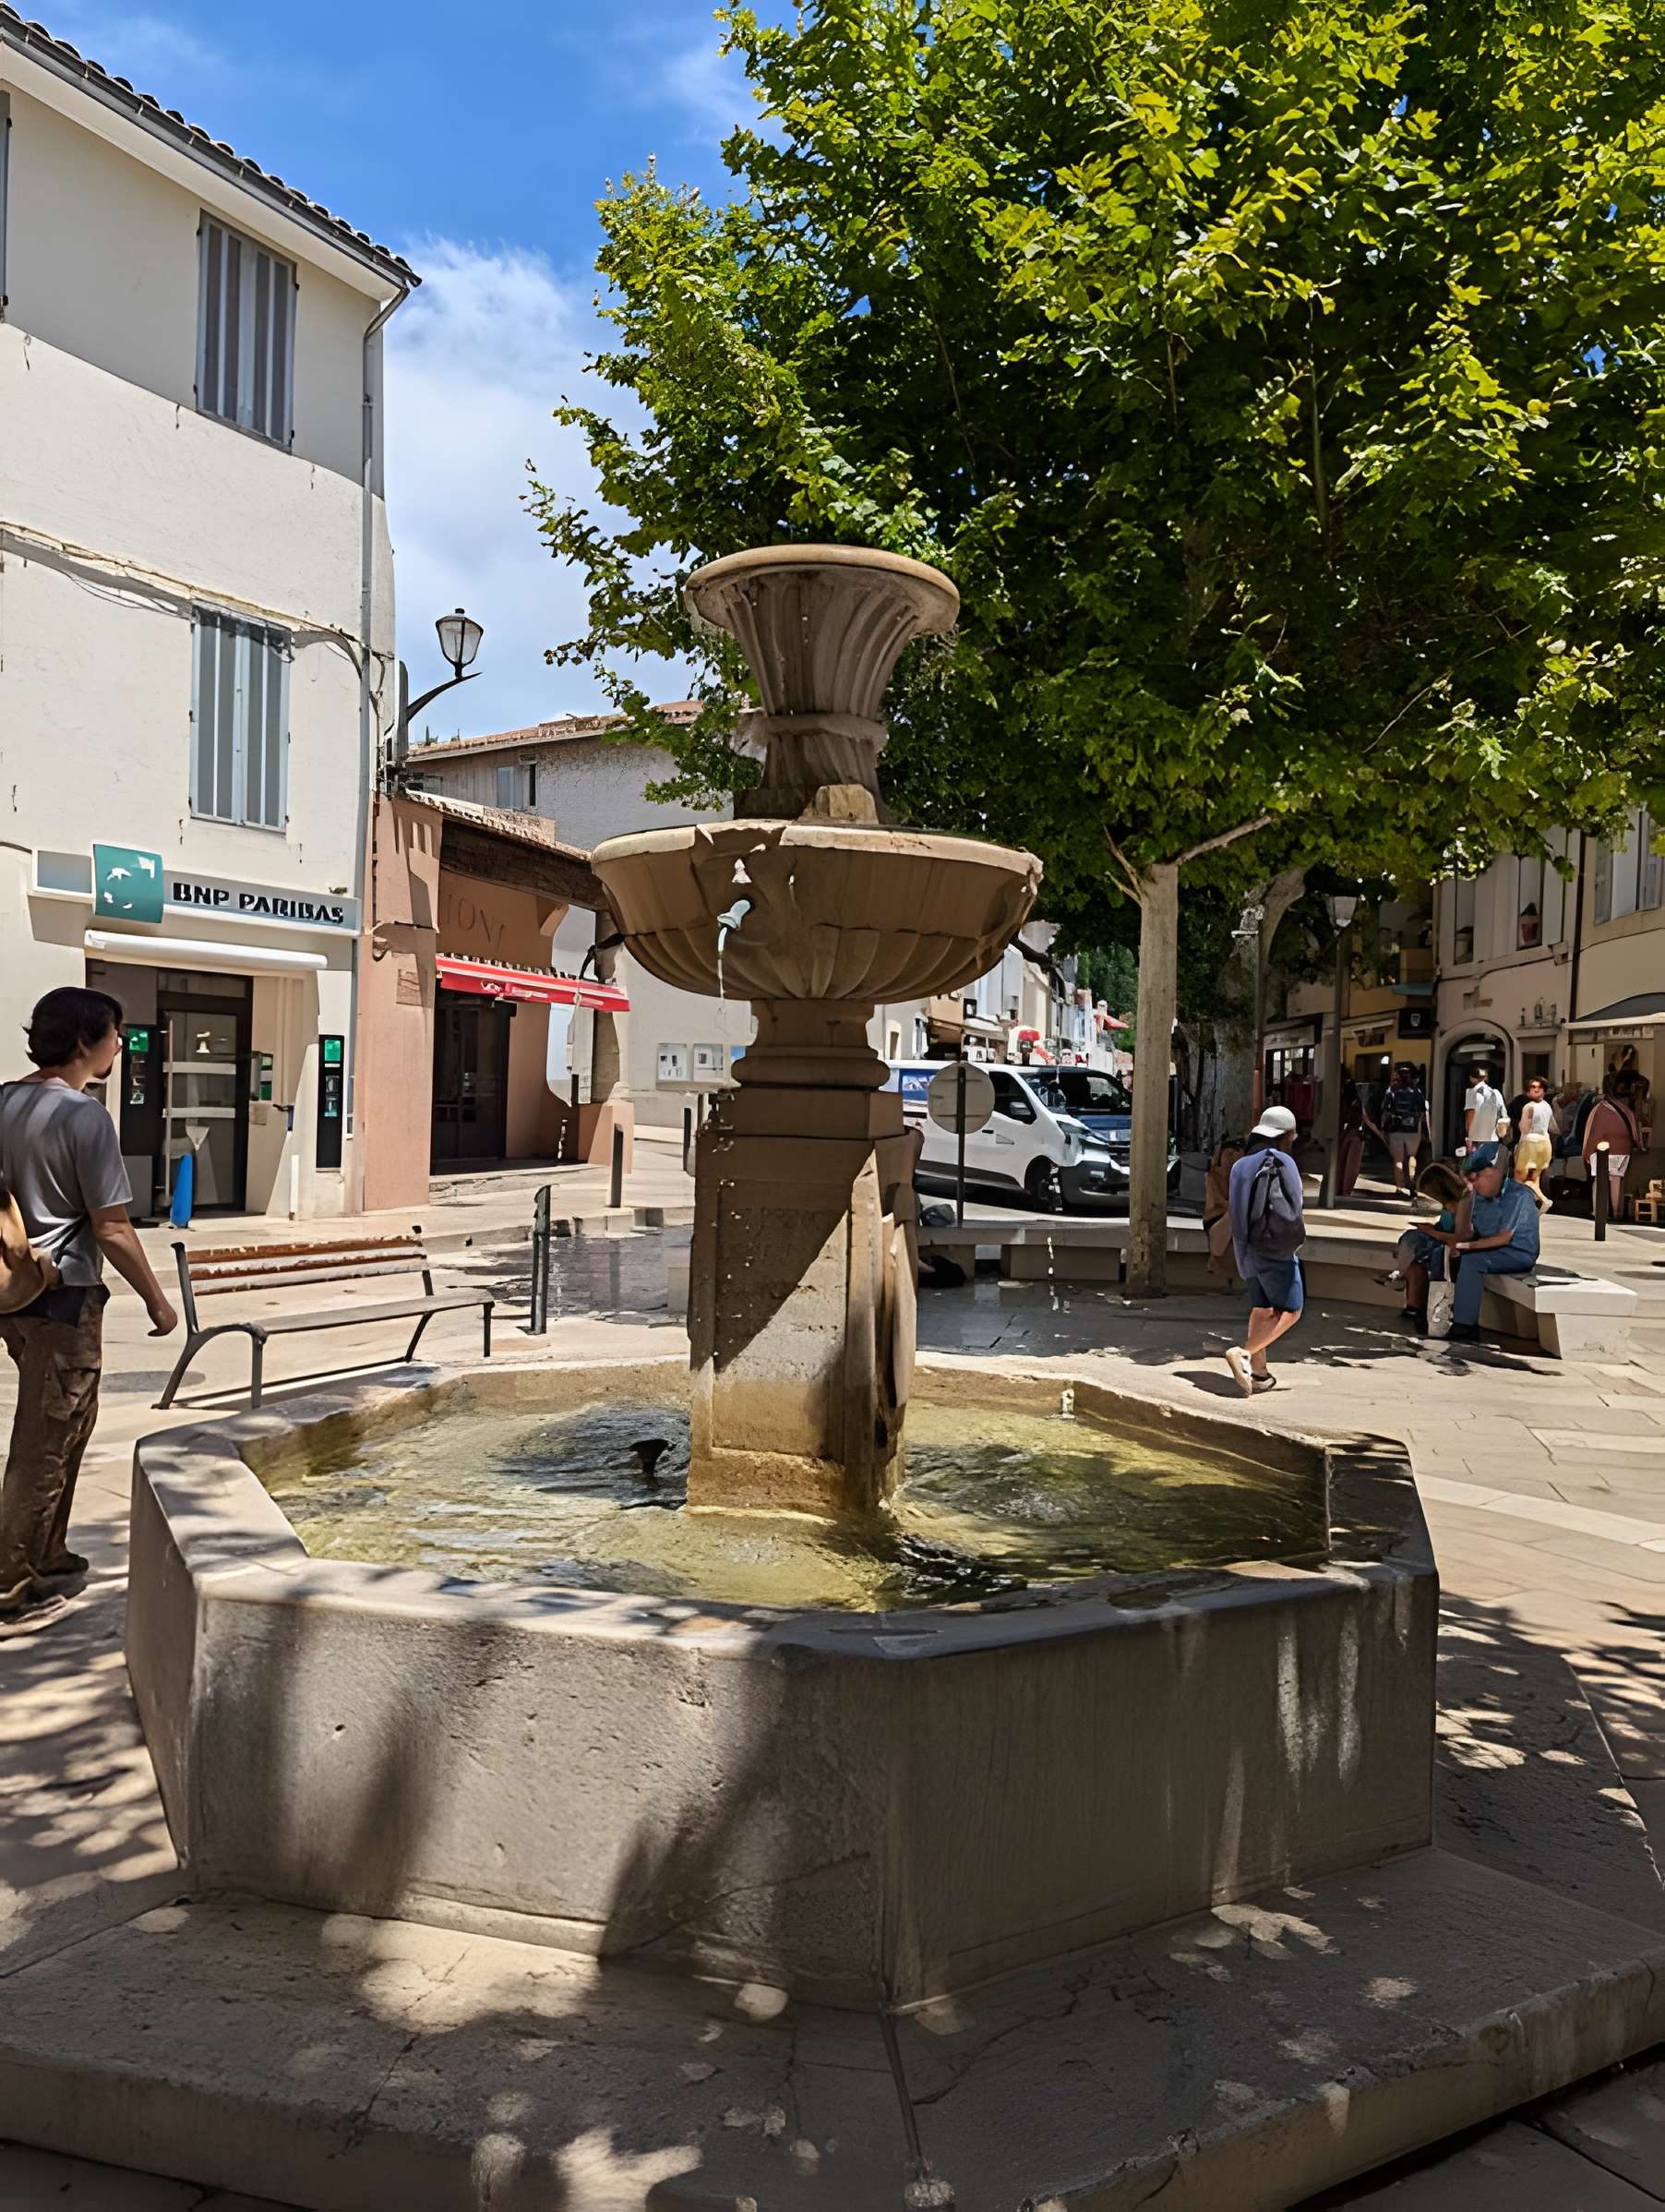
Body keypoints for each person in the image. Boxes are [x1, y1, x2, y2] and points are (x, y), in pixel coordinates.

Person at [0, 989, 177, 1629]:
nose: (121, 1044)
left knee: (66, 1424)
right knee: (47, 1437)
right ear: (85, 1041)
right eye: (117, 1033)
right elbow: (112, 1228)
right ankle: (11, 1581)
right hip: (63, 1295)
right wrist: (158, 1300)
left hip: (13, 1293)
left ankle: (47, 1554)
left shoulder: (4, 1100)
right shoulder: (84, 1117)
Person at [1223, 1104, 1306, 1395]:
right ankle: (1243, 1354)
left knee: (1261, 1308)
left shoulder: (1240, 1165)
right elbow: (1294, 1207)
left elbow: (1234, 1210)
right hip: (1276, 1250)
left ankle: (1259, 1374)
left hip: (1247, 1251)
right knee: (1291, 1311)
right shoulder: (1283, 1161)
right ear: (1285, 1135)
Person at [1443, 1142, 1541, 1344]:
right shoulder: (1477, 1197)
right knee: (1441, 1255)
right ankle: (1440, 1312)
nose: (1476, 1184)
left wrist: (1465, 1247)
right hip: (1491, 1248)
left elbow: (1504, 1237)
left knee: (1471, 1262)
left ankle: (1465, 1326)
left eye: (1481, 1177)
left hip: (1517, 1252)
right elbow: (1470, 1231)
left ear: (1497, 1174)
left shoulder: (1518, 1196)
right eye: (1472, 1179)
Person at [1380, 1160, 1468, 1328]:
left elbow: (1458, 1237)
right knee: (1410, 1243)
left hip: (1446, 1246)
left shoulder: (1460, 1207)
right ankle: (1410, 1299)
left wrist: (1431, 1232)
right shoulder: (1447, 1207)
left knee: (1413, 1242)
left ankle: (1400, 1276)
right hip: (1438, 1239)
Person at [1583, 1073, 1643, 1223]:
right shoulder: (1627, 1110)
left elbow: (1591, 1131)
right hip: (1622, 1149)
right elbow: (1635, 1132)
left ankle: (1599, 1211)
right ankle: (1616, 1212)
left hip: (1600, 1149)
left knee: (1599, 1180)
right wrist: (1636, 1144)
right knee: (1616, 1179)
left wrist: (1587, 1152)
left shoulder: (1599, 1108)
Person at [1378, 1063, 1430, 1198]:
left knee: (1398, 1160)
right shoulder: (1417, 1091)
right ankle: (1411, 1184)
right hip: (1413, 1129)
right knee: (1411, 1157)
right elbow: (1423, 1112)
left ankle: (1400, 1187)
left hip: (1395, 1129)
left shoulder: (1391, 1091)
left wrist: (1383, 1128)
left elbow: (1385, 1111)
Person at [1513, 1076, 1558, 1212]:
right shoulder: (1547, 1106)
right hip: (1545, 1143)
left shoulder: (1529, 1107)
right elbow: (1554, 1128)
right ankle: (1532, 1206)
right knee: (1535, 1177)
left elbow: (1524, 1129)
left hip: (1530, 1144)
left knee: (1521, 1177)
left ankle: (1543, 1200)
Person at [1464, 1064, 1507, 1151]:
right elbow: (1503, 1116)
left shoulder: (1471, 1092)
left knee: (1475, 1164)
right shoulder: (1496, 1093)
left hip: (1477, 1139)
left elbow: (1470, 1116)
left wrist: (1469, 1138)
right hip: (1493, 1139)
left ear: (1471, 1078)